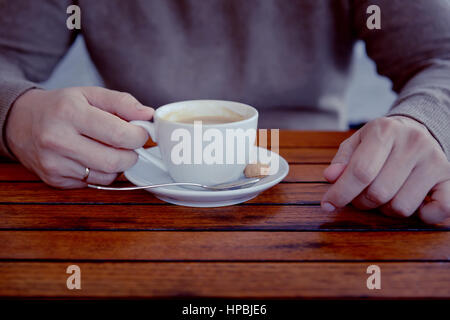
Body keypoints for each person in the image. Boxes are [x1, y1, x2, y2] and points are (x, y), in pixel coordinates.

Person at [0, 0, 449, 223]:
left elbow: (441, 57)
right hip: (132, 200)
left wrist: (424, 120)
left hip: (314, 195)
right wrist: (18, 113)